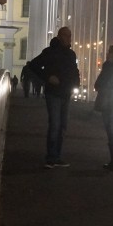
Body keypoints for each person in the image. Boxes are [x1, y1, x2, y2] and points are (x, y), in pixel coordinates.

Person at [26, 26, 80, 168]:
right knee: (55, 124)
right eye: (67, 35)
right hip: (53, 93)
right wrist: (47, 77)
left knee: (62, 125)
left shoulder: (71, 54)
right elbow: (33, 65)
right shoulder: (49, 52)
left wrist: (76, 83)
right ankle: (51, 157)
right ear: (60, 36)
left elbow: (75, 71)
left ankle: (57, 156)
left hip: (66, 93)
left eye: (70, 35)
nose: (69, 38)